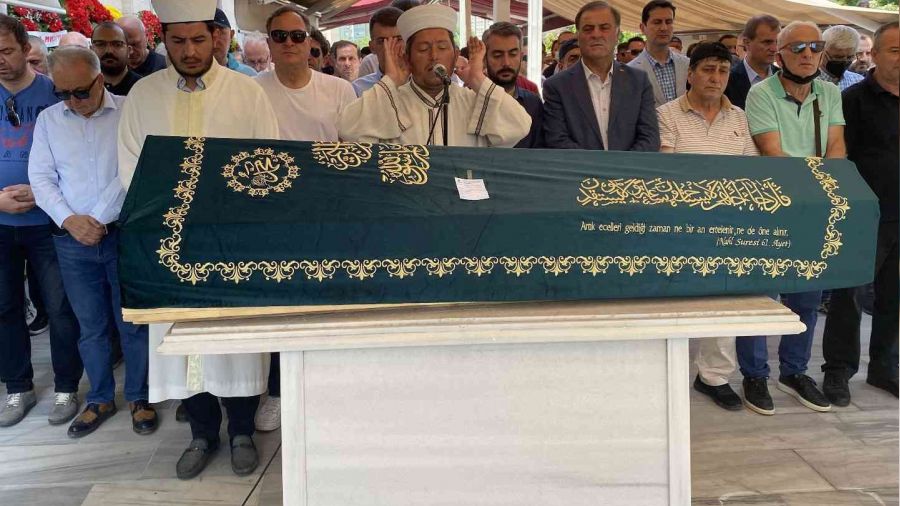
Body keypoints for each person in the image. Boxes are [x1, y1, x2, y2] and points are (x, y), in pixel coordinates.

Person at [118, 0, 278, 480]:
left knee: (236, 344)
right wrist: (171, 214)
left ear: (216, 38)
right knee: (184, 341)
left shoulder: (248, 94)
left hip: (231, 243)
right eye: (178, 40)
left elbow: (267, 162)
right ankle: (202, 434)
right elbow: (131, 167)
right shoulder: (143, 95)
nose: (189, 50)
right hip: (170, 242)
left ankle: (242, 432)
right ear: (164, 40)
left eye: (198, 39)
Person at [28, 46, 155, 438]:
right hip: (71, 239)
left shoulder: (129, 112)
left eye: (80, 92)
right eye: (63, 93)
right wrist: (70, 220)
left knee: (131, 322)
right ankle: (99, 397)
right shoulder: (49, 120)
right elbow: (41, 178)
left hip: (121, 233)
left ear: (100, 80)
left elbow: (134, 169)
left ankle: (139, 396)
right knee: (90, 326)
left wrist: (98, 218)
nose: (73, 101)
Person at [740, 21, 846, 416]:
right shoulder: (760, 93)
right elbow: (773, 153)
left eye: (815, 46)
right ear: (779, 53)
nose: (807, 54)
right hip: (771, 206)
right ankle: (754, 374)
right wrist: (817, 182)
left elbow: (837, 148)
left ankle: (794, 371)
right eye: (797, 47)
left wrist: (822, 191)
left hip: (814, 205)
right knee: (760, 294)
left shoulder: (830, 93)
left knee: (807, 294)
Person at [656, 42, 758, 410]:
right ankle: (667, 376)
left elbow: (750, 172)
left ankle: (714, 377)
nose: (715, 78)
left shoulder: (740, 118)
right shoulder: (667, 115)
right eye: (708, 70)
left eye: (722, 71)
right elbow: (667, 174)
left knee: (725, 302)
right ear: (691, 74)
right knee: (676, 302)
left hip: (728, 224)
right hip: (679, 224)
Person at [0, 14, 82, 429]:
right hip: (1, 223)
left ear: (25, 48)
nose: (0, 61)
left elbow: (79, 155)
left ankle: (67, 386)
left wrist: (45, 192)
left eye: (6, 51)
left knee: (60, 307)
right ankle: (18, 386)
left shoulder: (55, 93)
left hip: (49, 221)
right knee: (4, 307)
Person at [821, 21, 899, 404]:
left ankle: (885, 368)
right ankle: (838, 371)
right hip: (863, 216)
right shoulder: (852, 100)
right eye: (895, 51)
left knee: (894, 298)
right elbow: (838, 157)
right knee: (848, 296)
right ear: (875, 55)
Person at [338, 3, 530, 146]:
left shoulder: (472, 101)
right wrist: (392, 80)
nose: (434, 56)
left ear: (455, 55)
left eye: (442, 47)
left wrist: (478, 80)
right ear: (407, 58)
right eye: (423, 49)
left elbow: (519, 127)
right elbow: (348, 130)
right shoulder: (390, 100)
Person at [542, 1, 659, 152]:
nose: (596, 34)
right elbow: (557, 140)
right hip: (579, 168)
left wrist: (622, 165)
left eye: (604, 28)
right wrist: (598, 166)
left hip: (630, 167)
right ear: (578, 36)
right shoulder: (557, 86)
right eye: (588, 29)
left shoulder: (639, 81)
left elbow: (650, 138)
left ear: (617, 35)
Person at [483, 21, 543, 148]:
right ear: (484, 58)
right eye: (497, 55)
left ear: (521, 56)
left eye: (512, 54)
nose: (506, 63)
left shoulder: (533, 103)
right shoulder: (469, 100)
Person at [628, 0, 689, 107]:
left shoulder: (687, 64)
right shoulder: (630, 71)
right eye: (657, 22)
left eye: (668, 22)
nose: (664, 28)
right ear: (642, 28)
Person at [724, 14, 780, 110]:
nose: (774, 48)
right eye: (767, 42)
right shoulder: (727, 81)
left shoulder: (785, 78)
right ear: (747, 43)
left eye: (777, 42)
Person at [353, 7, 403, 96]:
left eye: (398, 39)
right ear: (372, 47)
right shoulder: (357, 90)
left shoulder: (423, 84)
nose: (390, 47)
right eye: (382, 41)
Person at [91, 22, 142, 96]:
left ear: (129, 50)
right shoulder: (85, 87)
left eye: (117, 44)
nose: (109, 51)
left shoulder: (142, 87)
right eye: (100, 44)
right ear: (91, 50)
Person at [212, 9, 256, 77]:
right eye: (210, 32)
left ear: (231, 35)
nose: (215, 40)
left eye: (221, 33)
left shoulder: (248, 75)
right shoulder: (194, 76)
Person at [819, 25, 864, 91]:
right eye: (838, 57)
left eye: (849, 57)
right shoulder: (808, 84)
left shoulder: (859, 81)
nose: (844, 61)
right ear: (822, 52)